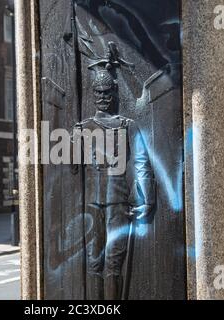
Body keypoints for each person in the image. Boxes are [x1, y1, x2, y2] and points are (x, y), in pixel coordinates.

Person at [72, 68, 156, 300]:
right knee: (93, 258)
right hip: (91, 201)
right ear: (92, 94)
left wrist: (147, 197)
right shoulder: (82, 128)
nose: (103, 98)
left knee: (113, 260)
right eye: (98, 93)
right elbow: (73, 168)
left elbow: (141, 162)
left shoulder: (127, 125)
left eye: (107, 93)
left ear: (115, 93)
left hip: (118, 199)